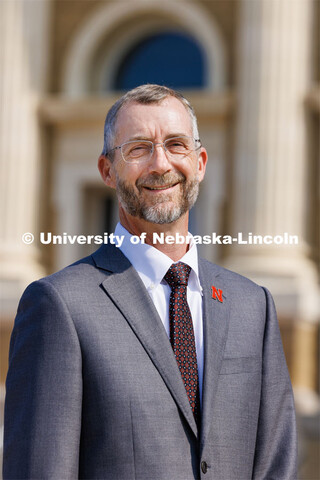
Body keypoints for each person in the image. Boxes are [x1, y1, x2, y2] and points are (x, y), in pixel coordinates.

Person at [3, 84, 297, 480]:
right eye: (139, 148)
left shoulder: (253, 305)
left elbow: (277, 465)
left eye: (176, 145)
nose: (161, 164)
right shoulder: (58, 305)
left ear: (201, 162)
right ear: (108, 170)